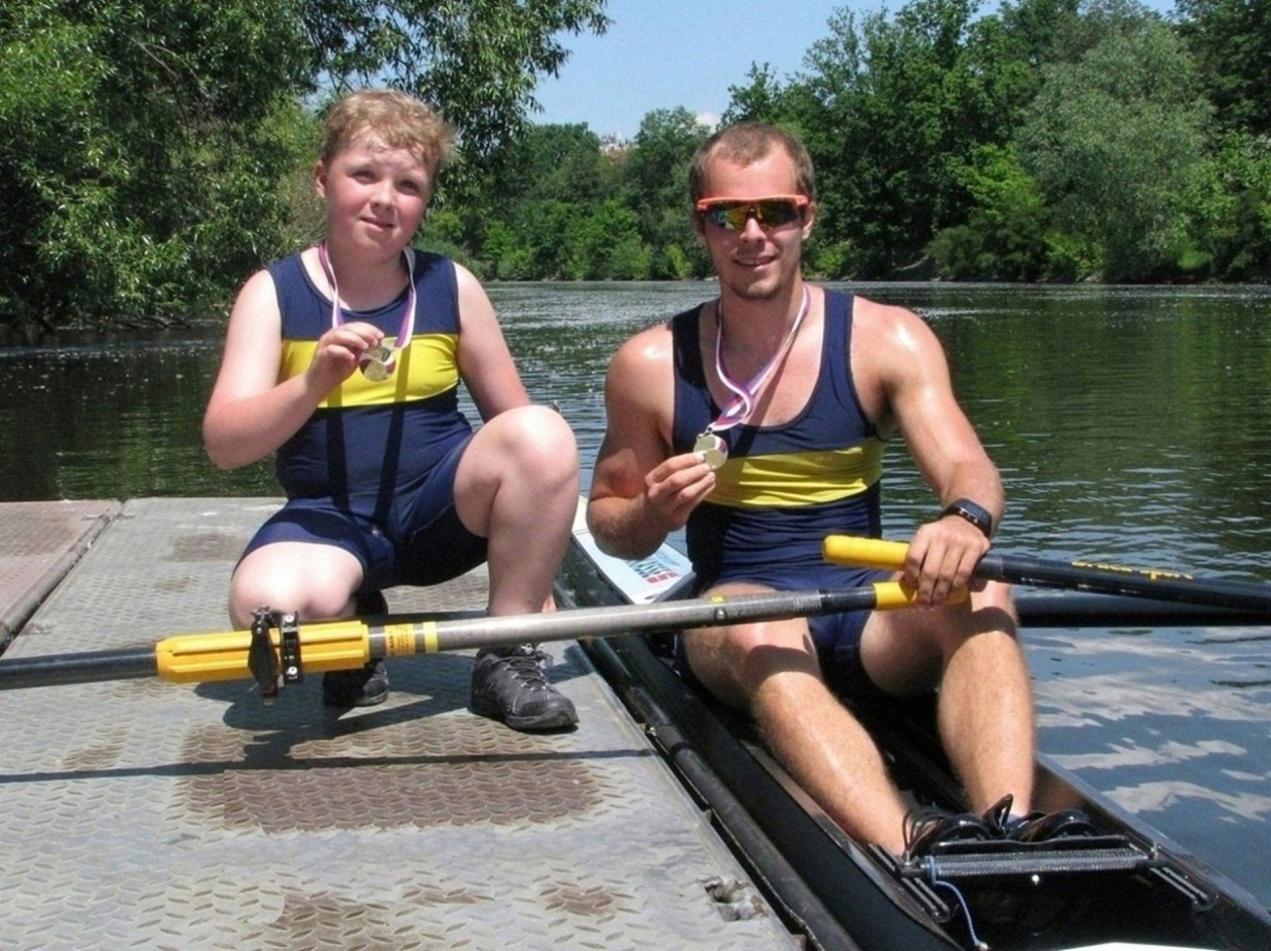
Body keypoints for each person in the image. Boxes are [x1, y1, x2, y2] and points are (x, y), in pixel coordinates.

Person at [585, 121, 1035, 854]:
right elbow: (610, 525)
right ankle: (910, 854)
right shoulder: (649, 365)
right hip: (741, 619)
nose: (752, 234)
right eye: (727, 216)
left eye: (775, 211)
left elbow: (968, 468)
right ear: (700, 227)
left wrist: (963, 520)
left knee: (983, 589)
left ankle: (1010, 830)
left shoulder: (887, 339)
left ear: (808, 217)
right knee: (759, 626)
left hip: (867, 620)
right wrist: (650, 511)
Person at [204, 89, 579, 731]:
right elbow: (224, 446)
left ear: (424, 202)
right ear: (322, 180)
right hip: (330, 520)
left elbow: (523, 439)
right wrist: (312, 382)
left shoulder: (452, 286)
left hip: (441, 515)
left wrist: (537, 582)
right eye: (364, 175)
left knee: (544, 434)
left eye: (408, 185)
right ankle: (354, 624)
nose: (385, 199)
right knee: (264, 605)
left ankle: (506, 654)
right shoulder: (271, 294)